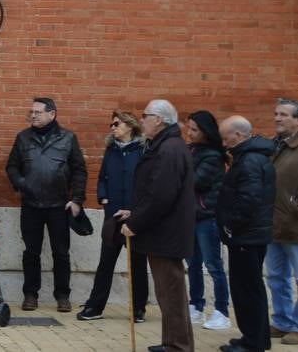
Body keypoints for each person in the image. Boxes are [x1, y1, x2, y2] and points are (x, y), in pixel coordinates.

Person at [118, 99, 195, 352]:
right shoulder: (164, 145)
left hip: (167, 233)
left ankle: (178, 346)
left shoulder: (169, 148)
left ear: (159, 120)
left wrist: (136, 222)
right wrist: (135, 212)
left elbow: (161, 195)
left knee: (171, 292)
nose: (141, 120)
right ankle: (172, 342)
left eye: (145, 115)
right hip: (164, 232)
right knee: (167, 292)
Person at [5, 96, 87, 312]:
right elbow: (12, 167)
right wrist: (22, 184)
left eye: (37, 112)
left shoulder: (68, 138)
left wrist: (77, 199)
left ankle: (62, 296)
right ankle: (30, 295)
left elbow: (79, 170)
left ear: (52, 114)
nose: (32, 115)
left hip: (59, 205)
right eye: (31, 112)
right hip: (31, 204)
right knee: (31, 252)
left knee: (61, 252)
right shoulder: (23, 138)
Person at [76, 110, 149, 323]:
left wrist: (136, 209)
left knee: (137, 263)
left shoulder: (143, 150)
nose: (112, 127)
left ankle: (138, 309)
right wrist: (103, 198)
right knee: (105, 262)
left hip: (135, 216)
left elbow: (148, 183)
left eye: (116, 123)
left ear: (129, 126)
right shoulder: (111, 150)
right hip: (113, 215)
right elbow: (102, 178)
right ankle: (95, 307)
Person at [216, 115, 276, 352]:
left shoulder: (249, 160)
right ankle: (255, 337)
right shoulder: (251, 157)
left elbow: (249, 200)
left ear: (239, 136)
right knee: (251, 288)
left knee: (246, 290)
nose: (223, 143)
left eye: (225, 137)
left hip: (247, 236)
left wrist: (230, 224)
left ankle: (253, 342)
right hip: (250, 234)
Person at [184, 110, 230, 330]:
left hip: (207, 217)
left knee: (213, 265)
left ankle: (222, 311)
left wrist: (180, 172)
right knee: (192, 264)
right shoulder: (190, 150)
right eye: (189, 128)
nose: (190, 133)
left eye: (194, 129)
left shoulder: (212, 155)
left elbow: (198, 181)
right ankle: (196, 306)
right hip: (190, 216)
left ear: (205, 132)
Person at [267, 97, 298, 345]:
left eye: (284, 115)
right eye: (276, 114)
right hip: (274, 223)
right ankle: (282, 321)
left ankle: (296, 325)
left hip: (295, 224)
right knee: (277, 276)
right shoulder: (276, 145)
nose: (277, 118)